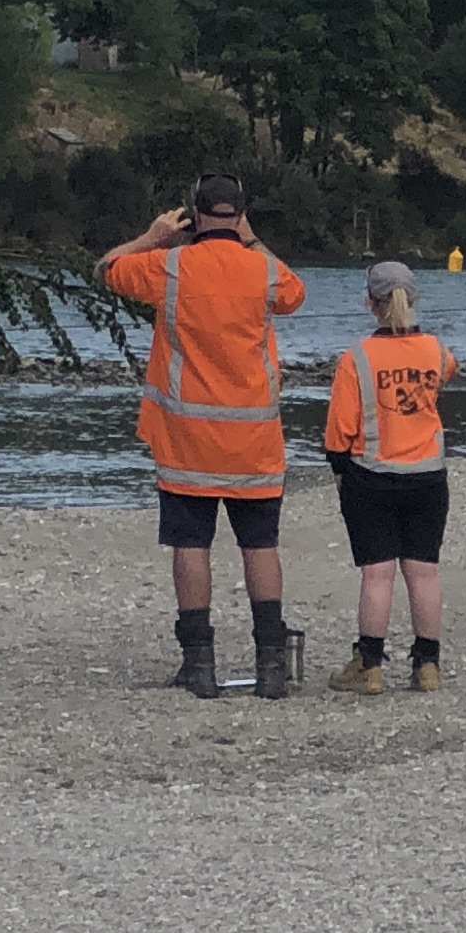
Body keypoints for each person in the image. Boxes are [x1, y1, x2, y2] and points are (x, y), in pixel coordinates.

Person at [99, 175, 308, 698]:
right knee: (260, 546)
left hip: (186, 438)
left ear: (193, 212)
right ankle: (271, 668)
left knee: (190, 544)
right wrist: (253, 239)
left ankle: (199, 666)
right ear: (240, 213)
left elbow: (105, 269)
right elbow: (296, 294)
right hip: (254, 440)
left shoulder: (168, 266)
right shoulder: (264, 270)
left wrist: (151, 237)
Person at [319, 259, 452, 692]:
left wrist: (340, 472)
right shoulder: (436, 350)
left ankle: (370, 665)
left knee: (377, 574)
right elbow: (447, 373)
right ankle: (427, 664)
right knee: (424, 571)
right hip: (428, 476)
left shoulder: (356, 358)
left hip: (373, 475)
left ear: (369, 304)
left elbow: (340, 430)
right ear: (413, 299)